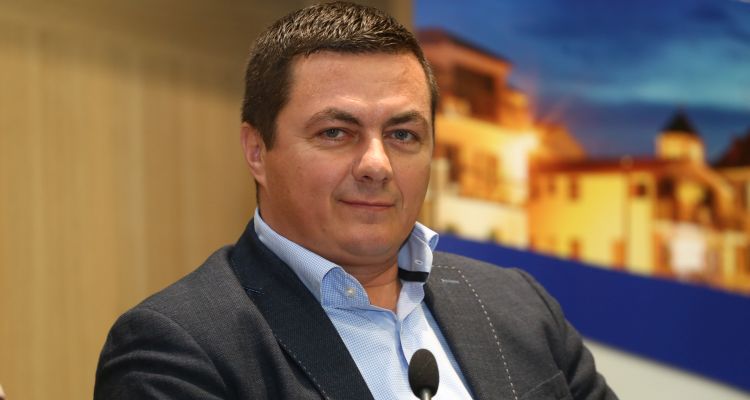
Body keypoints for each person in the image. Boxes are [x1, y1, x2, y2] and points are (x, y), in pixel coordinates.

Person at [94, 2, 617, 399]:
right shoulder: (177, 348)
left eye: (403, 135)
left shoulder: (519, 304)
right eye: (336, 133)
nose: (377, 165)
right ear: (257, 152)